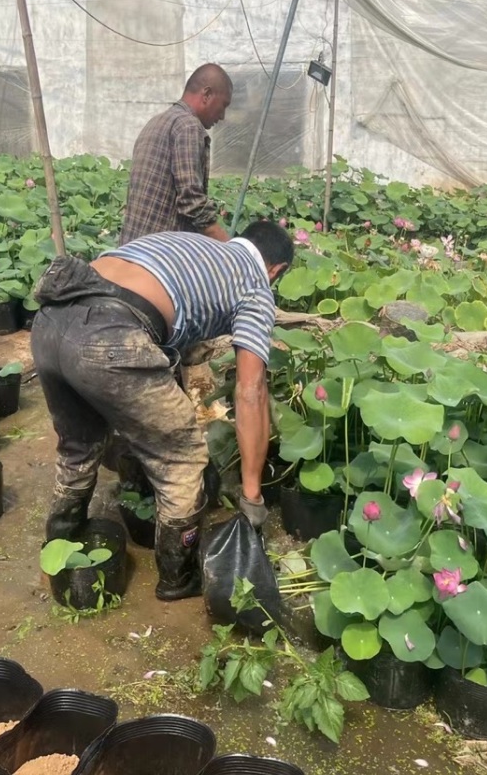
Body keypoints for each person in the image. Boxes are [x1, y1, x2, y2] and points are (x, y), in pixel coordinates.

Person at [31, 221, 294, 602]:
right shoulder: (255, 285)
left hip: (51, 319)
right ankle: (177, 579)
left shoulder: (194, 247)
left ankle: (59, 544)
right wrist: (252, 495)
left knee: (79, 445)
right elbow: (250, 390)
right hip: (111, 334)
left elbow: (165, 322)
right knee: (183, 460)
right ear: (276, 270)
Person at [119, 64, 233, 245]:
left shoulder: (156, 122)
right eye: (223, 105)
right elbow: (192, 203)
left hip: (131, 248)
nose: (222, 116)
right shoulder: (188, 126)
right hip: (158, 257)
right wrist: (232, 247)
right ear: (207, 95)